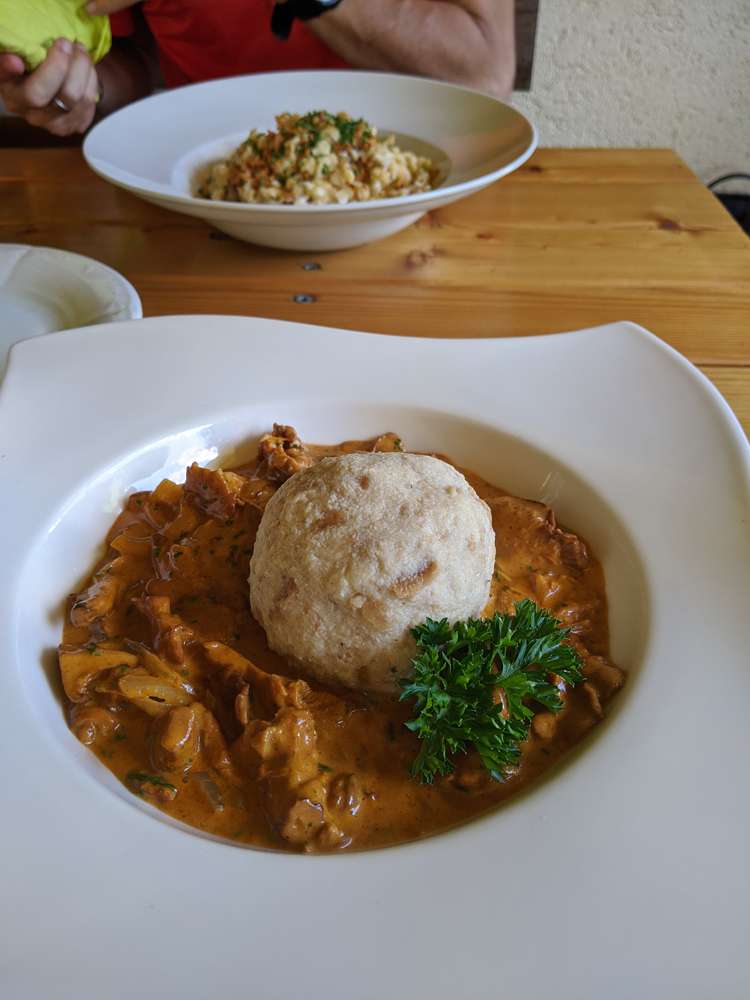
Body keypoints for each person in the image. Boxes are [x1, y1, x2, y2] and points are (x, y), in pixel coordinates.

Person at [0, 0, 515, 137]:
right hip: (205, 191)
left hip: (414, 193)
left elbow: (484, 73)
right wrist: (76, 88)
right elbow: (133, 61)